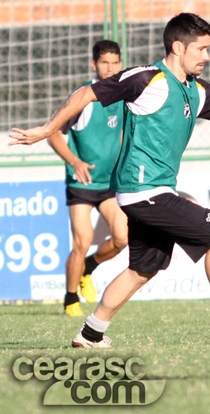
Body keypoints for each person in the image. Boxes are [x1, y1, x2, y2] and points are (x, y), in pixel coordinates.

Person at [10, 13, 210, 347]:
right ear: (178, 46)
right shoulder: (147, 79)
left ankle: (91, 333)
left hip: (154, 191)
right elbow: (87, 95)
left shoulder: (198, 92)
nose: (207, 56)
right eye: (201, 49)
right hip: (142, 191)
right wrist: (47, 130)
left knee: (142, 270)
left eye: (208, 49)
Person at [47, 40, 129, 317]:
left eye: (115, 62)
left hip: (109, 185)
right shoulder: (84, 97)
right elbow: (53, 132)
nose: (110, 67)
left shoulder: (124, 97)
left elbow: (121, 133)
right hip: (81, 184)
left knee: (123, 238)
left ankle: (90, 268)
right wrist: (74, 161)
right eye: (104, 62)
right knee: (82, 241)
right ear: (94, 65)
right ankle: (71, 299)